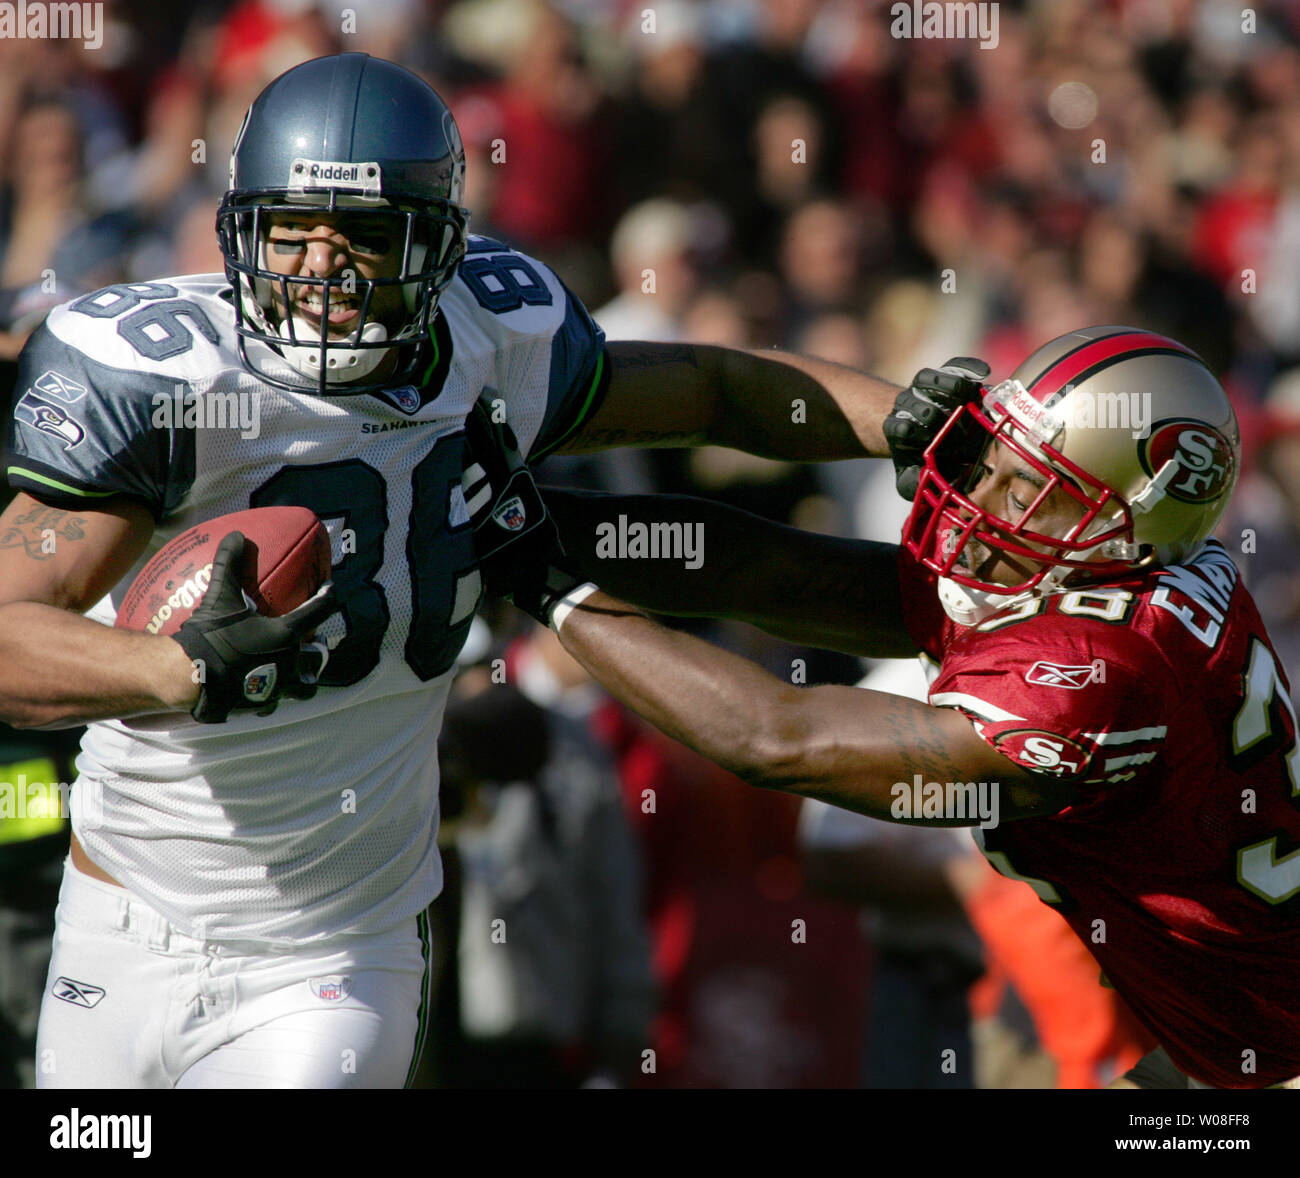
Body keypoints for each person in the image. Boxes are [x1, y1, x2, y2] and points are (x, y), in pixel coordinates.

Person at [0, 52, 903, 1089]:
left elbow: (709, 388)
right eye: (292, 233)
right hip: (120, 919)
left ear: (435, 246)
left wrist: (912, 418)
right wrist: (178, 669)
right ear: (241, 230)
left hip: (328, 952)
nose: (323, 274)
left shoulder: (493, 341)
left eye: (365, 237)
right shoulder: (169, 377)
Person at [490, 325, 1300, 1090]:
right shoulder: (1125, 578)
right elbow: (769, 574)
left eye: (1031, 490)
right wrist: (538, 519)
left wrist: (551, 589)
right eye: (995, 461)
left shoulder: (1099, 671)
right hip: (1225, 1042)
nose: (985, 498)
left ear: (1134, 523)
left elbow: (777, 738)